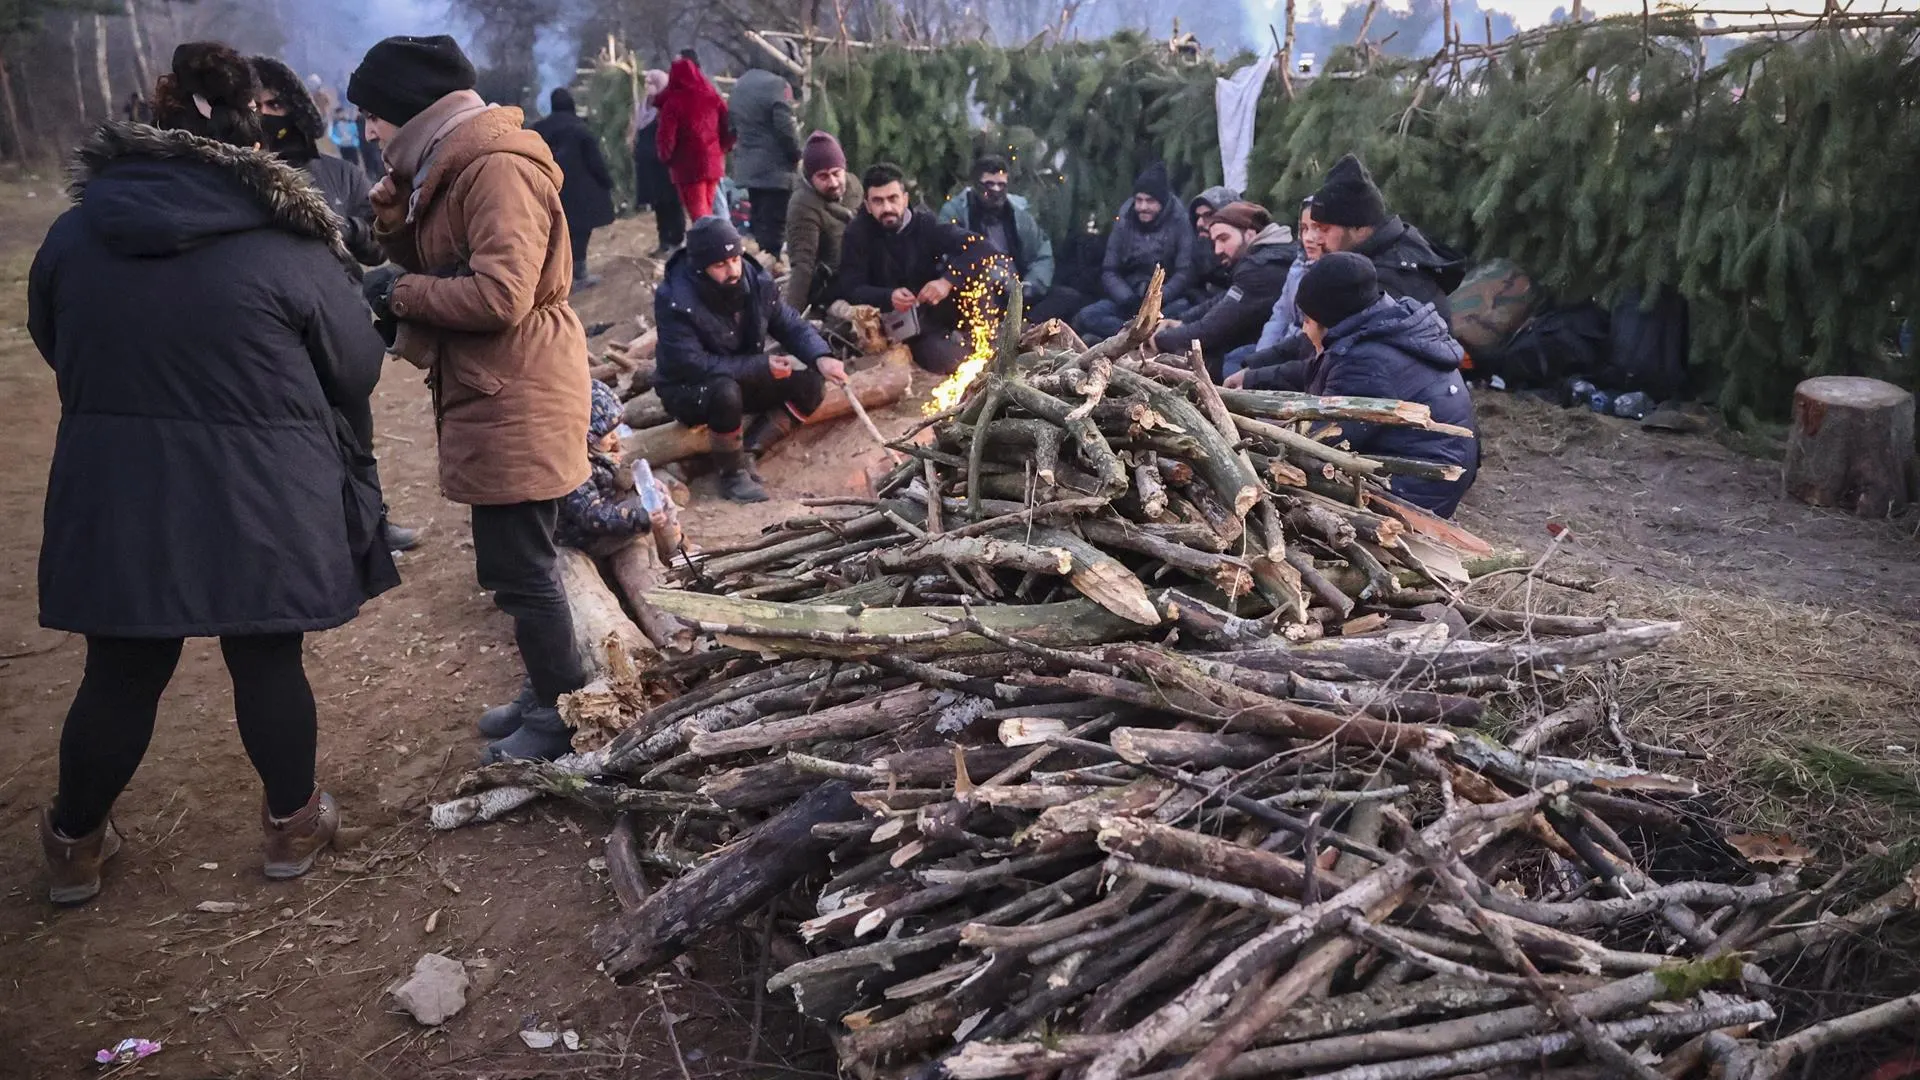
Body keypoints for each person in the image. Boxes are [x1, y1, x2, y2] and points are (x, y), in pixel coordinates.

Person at [28, 41, 394, 905]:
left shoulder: (76, 233)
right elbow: (356, 368)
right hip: (260, 492)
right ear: (252, 137)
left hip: (117, 487)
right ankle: (294, 826)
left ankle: (75, 844)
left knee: (119, 669)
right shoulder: (287, 241)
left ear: (153, 123)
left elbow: (54, 340)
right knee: (267, 656)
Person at [348, 34, 594, 764]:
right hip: (500, 384)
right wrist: (396, 221)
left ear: (410, 110)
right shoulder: (450, 167)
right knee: (514, 563)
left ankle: (559, 713)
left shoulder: (494, 171)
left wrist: (398, 291)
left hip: (519, 385)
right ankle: (544, 687)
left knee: (524, 565)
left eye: (375, 116)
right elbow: (454, 261)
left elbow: (500, 293)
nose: (368, 130)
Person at [250, 55, 422, 555]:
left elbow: (377, 244)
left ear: (298, 109)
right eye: (257, 105)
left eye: (276, 103)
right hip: (273, 330)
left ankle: (372, 528)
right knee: (288, 440)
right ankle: (309, 540)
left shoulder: (339, 175)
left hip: (338, 322)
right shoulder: (243, 181)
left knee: (355, 433)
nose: (267, 113)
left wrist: (344, 231)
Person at [1231, 156, 1462, 390]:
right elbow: (1317, 336)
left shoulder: (1389, 278)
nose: (1316, 239)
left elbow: (1333, 358)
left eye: (1325, 229)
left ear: (1359, 227)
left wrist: (1255, 378)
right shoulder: (1363, 265)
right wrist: (1256, 365)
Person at [656, 217, 840, 503]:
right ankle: (732, 475)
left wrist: (821, 356)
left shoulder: (756, 280)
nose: (732, 271)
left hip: (743, 373)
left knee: (811, 384)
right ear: (699, 268)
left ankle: (750, 450)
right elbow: (691, 363)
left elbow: (788, 323)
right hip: (688, 389)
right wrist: (760, 367)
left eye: (735, 259)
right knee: (724, 390)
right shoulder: (676, 299)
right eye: (720, 265)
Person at [1286, 251, 1478, 516]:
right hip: (1436, 475)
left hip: (1413, 492)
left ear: (1327, 319)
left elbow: (1321, 443)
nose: (1304, 331)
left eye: (1307, 321)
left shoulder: (1364, 360)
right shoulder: (1387, 326)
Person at [839, 162, 996, 376]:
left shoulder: (926, 224)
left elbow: (981, 247)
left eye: (893, 199)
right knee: (952, 363)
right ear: (867, 205)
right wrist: (888, 296)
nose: (887, 208)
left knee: (976, 279)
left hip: (939, 307)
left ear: (904, 198)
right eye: (878, 201)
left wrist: (947, 281)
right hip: (901, 327)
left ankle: (988, 343)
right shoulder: (856, 234)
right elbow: (850, 287)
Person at [1152, 201, 1295, 377]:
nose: (1218, 250)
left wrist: (1158, 339)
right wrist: (1181, 321)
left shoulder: (1260, 268)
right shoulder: (1264, 259)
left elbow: (1211, 330)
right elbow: (1222, 301)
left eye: (1224, 239)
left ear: (1250, 233)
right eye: (1215, 242)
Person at [937, 154, 1081, 324]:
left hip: (1018, 292)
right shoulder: (956, 212)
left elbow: (1042, 253)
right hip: (977, 292)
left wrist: (1030, 285)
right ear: (976, 185)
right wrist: (992, 276)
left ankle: (1021, 328)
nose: (996, 191)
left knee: (1068, 297)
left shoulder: (1018, 213)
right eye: (990, 184)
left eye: (1001, 185)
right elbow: (947, 258)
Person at [1074, 162, 1195, 340]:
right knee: (1087, 316)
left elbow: (1184, 272)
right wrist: (1127, 298)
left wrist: (1156, 299)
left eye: (1150, 201)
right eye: (1139, 200)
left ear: (1162, 202)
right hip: (1127, 299)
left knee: (1184, 309)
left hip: (1165, 301)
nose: (1143, 207)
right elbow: (1110, 270)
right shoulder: (1124, 221)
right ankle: (1136, 336)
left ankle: (1133, 336)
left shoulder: (1180, 223)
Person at [1225, 196, 1320, 380]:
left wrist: (1259, 371)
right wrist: (1259, 359)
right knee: (1233, 361)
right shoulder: (1297, 266)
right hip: (1281, 346)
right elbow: (1280, 315)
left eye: (1317, 228)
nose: (1309, 238)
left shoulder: (1335, 272)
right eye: (1304, 229)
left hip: (1300, 356)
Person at [532, 87, 616, 290]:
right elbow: (594, 161)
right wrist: (607, 181)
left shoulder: (537, 131)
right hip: (582, 192)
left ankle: (562, 277)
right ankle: (579, 274)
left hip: (551, 189)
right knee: (580, 232)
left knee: (559, 234)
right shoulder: (580, 129)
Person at [556, 381, 653, 549]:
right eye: (607, 434)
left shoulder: (592, 454)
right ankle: (678, 551)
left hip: (604, 514)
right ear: (587, 436)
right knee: (653, 519)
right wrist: (640, 516)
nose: (615, 438)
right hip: (584, 537)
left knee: (655, 503)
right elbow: (592, 515)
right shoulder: (573, 469)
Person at [783, 131, 862, 312]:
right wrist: (790, 320)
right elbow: (803, 264)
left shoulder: (854, 186)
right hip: (830, 286)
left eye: (836, 173)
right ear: (811, 178)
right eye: (823, 176)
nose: (833, 182)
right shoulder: (803, 205)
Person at [729, 67, 801, 260]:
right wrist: (796, 155)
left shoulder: (740, 85)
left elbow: (731, 126)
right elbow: (784, 126)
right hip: (775, 169)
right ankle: (772, 268)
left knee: (760, 220)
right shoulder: (777, 85)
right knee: (776, 226)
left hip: (749, 167)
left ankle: (762, 264)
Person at [654, 53, 734, 221]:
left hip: (687, 166)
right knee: (709, 206)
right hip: (713, 162)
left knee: (699, 213)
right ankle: (719, 240)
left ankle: (708, 243)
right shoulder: (712, 97)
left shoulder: (673, 103)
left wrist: (666, 157)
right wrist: (723, 148)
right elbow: (728, 125)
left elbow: (666, 137)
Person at [627, 68, 683, 254]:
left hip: (665, 164)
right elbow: (636, 130)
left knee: (671, 202)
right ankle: (663, 241)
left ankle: (676, 240)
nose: (648, 86)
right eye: (647, 82)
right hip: (648, 165)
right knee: (658, 203)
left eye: (652, 82)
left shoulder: (667, 105)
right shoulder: (644, 106)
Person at [1188, 185, 1240, 298]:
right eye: (1198, 217)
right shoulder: (1198, 247)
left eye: (1208, 215)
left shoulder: (1242, 251)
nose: (1200, 223)